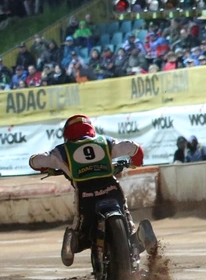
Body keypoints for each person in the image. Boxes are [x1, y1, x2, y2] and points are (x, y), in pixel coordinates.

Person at [29, 115, 147, 268]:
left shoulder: (62, 152)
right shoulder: (106, 142)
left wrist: (45, 166)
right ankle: (141, 234)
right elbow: (134, 148)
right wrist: (135, 162)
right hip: (111, 189)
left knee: (80, 226)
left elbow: (35, 162)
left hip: (86, 195)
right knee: (126, 215)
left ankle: (70, 243)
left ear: (68, 134)